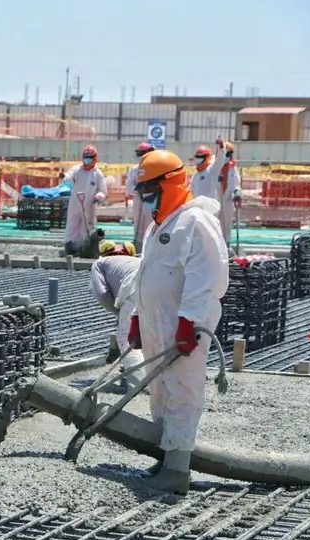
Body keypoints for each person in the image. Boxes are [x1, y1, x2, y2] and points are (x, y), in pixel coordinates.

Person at [128, 149, 230, 494]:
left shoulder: (196, 222)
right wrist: (137, 317)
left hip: (183, 325)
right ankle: (164, 454)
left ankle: (177, 468)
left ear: (170, 183)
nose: (146, 198)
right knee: (159, 389)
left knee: (183, 390)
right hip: (157, 322)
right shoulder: (158, 226)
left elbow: (206, 278)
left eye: (150, 191)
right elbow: (145, 276)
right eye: (143, 192)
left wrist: (190, 322)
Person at [90, 239, 142, 370]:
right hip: (158, 287)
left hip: (132, 289)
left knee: (126, 338)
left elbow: (102, 294)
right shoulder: (138, 261)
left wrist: (117, 311)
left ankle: (135, 375)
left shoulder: (100, 263)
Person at [62, 144, 108, 257]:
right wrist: (63, 176)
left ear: (95, 158)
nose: (87, 160)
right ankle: (69, 245)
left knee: (87, 226)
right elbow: (69, 175)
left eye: (90, 157)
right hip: (75, 202)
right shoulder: (77, 169)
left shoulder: (98, 174)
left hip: (89, 204)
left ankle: (84, 247)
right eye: (85, 157)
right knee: (72, 223)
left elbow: (103, 191)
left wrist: (99, 196)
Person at [124, 142, 156, 252]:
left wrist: (149, 190)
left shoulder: (156, 168)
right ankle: (137, 245)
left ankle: (150, 247)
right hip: (138, 198)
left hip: (152, 199)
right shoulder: (135, 169)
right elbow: (129, 186)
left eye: (142, 153)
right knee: (138, 222)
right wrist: (138, 190)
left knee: (150, 222)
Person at [217, 141, 242, 247]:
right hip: (216, 200)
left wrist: (237, 191)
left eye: (229, 154)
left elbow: (236, 182)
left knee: (227, 224)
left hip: (227, 201)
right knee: (215, 224)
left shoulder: (232, 168)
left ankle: (226, 245)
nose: (227, 156)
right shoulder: (215, 167)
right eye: (225, 154)